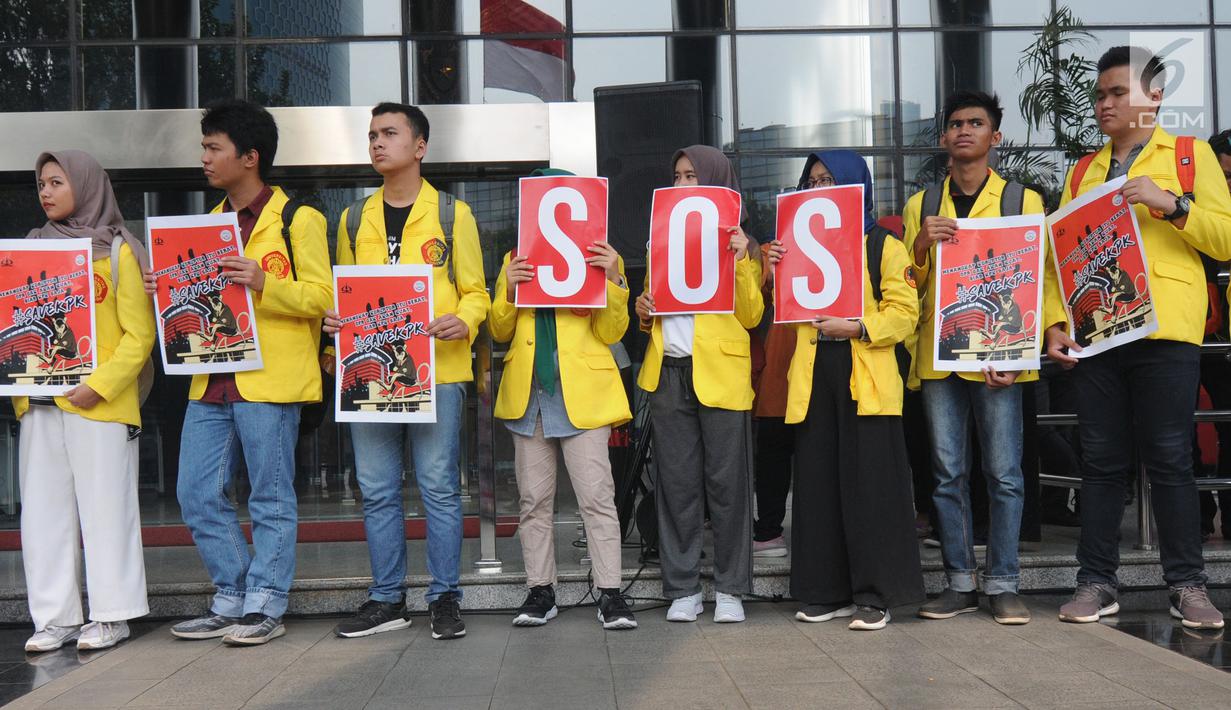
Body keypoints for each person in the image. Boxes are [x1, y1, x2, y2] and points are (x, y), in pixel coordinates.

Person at [1045, 46, 1231, 630]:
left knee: (1172, 458)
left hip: (1167, 330)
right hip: (1099, 331)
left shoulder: (1187, 155)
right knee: (1101, 462)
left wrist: (1172, 204)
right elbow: (1060, 256)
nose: (1104, 104)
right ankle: (1096, 582)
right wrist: (1054, 321)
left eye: (1117, 93)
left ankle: (1188, 585)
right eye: (1100, 95)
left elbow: (1225, 238)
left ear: (1154, 97)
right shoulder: (1081, 170)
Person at [149, 100, 333, 645]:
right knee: (195, 492)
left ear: (249, 157)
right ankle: (232, 594)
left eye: (213, 147)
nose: (203, 156)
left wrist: (263, 283)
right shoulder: (206, 225)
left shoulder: (300, 218)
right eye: (204, 146)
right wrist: (168, 292)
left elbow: (324, 298)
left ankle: (266, 603)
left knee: (270, 496)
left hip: (270, 382)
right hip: (210, 378)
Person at [325, 102, 490, 640]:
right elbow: (345, 292)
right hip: (372, 373)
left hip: (438, 372)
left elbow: (477, 292)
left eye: (389, 133)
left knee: (438, 487)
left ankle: (444, 596)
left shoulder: (450, 214)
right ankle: (387, 597)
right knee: (375, 489)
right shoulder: (353, 218)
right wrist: (336, 323)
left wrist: (462, 321)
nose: (377, 142)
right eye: (372, 134)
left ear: (419, 147)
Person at [768, 150, 925, 631]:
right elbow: (788, 310)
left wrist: (856, 326)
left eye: (828, 179)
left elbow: (905, 313)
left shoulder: (884, 244)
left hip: (866, 374)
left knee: (871, 486)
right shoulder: (798, 242)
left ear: (856, 184)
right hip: (815, 372)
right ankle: (825, 591)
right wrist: (776, 269)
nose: (818, 189)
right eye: (811, 181)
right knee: (817, 484)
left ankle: (875, 595)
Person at [904, 90, 1045, 626]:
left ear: (995, 137)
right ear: (944, 138)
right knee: (946, 474)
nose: (964, 131)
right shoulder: (923, 204)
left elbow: (1040, 278)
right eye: (956, 124)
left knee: (1004, 473)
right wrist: (919, 246)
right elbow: (904, 288)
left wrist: (1022, 348)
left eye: (976, 123)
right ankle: (960, 583)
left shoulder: (1021, 201)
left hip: (999, 357)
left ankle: (1004, 583)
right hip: (941, 359)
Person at [18, 150, 155, 652]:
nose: (46, 192)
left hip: (100, 403)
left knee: (106, 509)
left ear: (86, 185)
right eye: (40, 184)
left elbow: (140, 337)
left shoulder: (118, 251)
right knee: (42, 515)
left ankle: (112, 614)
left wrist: (99, 385)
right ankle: (53, 619)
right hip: (39, 402)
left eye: (56, 182)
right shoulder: (28, 250)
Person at [489, 167, 637, 630]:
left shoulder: (597, 256)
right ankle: (540, 591)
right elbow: (498, 329)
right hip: (530, 394)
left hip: (583, 394)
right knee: (533, 500)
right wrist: (510, 290)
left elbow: (613, 331)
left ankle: (610, 593)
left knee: (597, 497)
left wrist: (614, 279)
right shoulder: (515, 256)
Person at [634, 145, 762, 623]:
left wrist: (743, 257)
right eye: (677, 175)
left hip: (722, 375)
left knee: (727, 486)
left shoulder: (740, 241)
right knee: (677, 486)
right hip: (668, 371)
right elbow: (654, 311)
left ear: (714, 180)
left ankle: (730, 588)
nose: (682, 183)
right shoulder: (660, 238)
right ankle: (682, 587)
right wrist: (644, 313)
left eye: (691, 175)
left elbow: (751, 316)